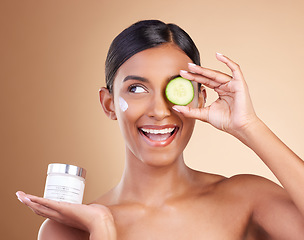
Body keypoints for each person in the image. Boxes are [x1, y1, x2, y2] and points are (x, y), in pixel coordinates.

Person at [16, 20, 304, 240]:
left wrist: (248, 125)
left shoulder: (247, 198)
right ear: (109, 104)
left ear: (201, 98)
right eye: (137, 88)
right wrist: (102, 227)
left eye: (175, 88)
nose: (159, 110)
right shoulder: (66, 229)